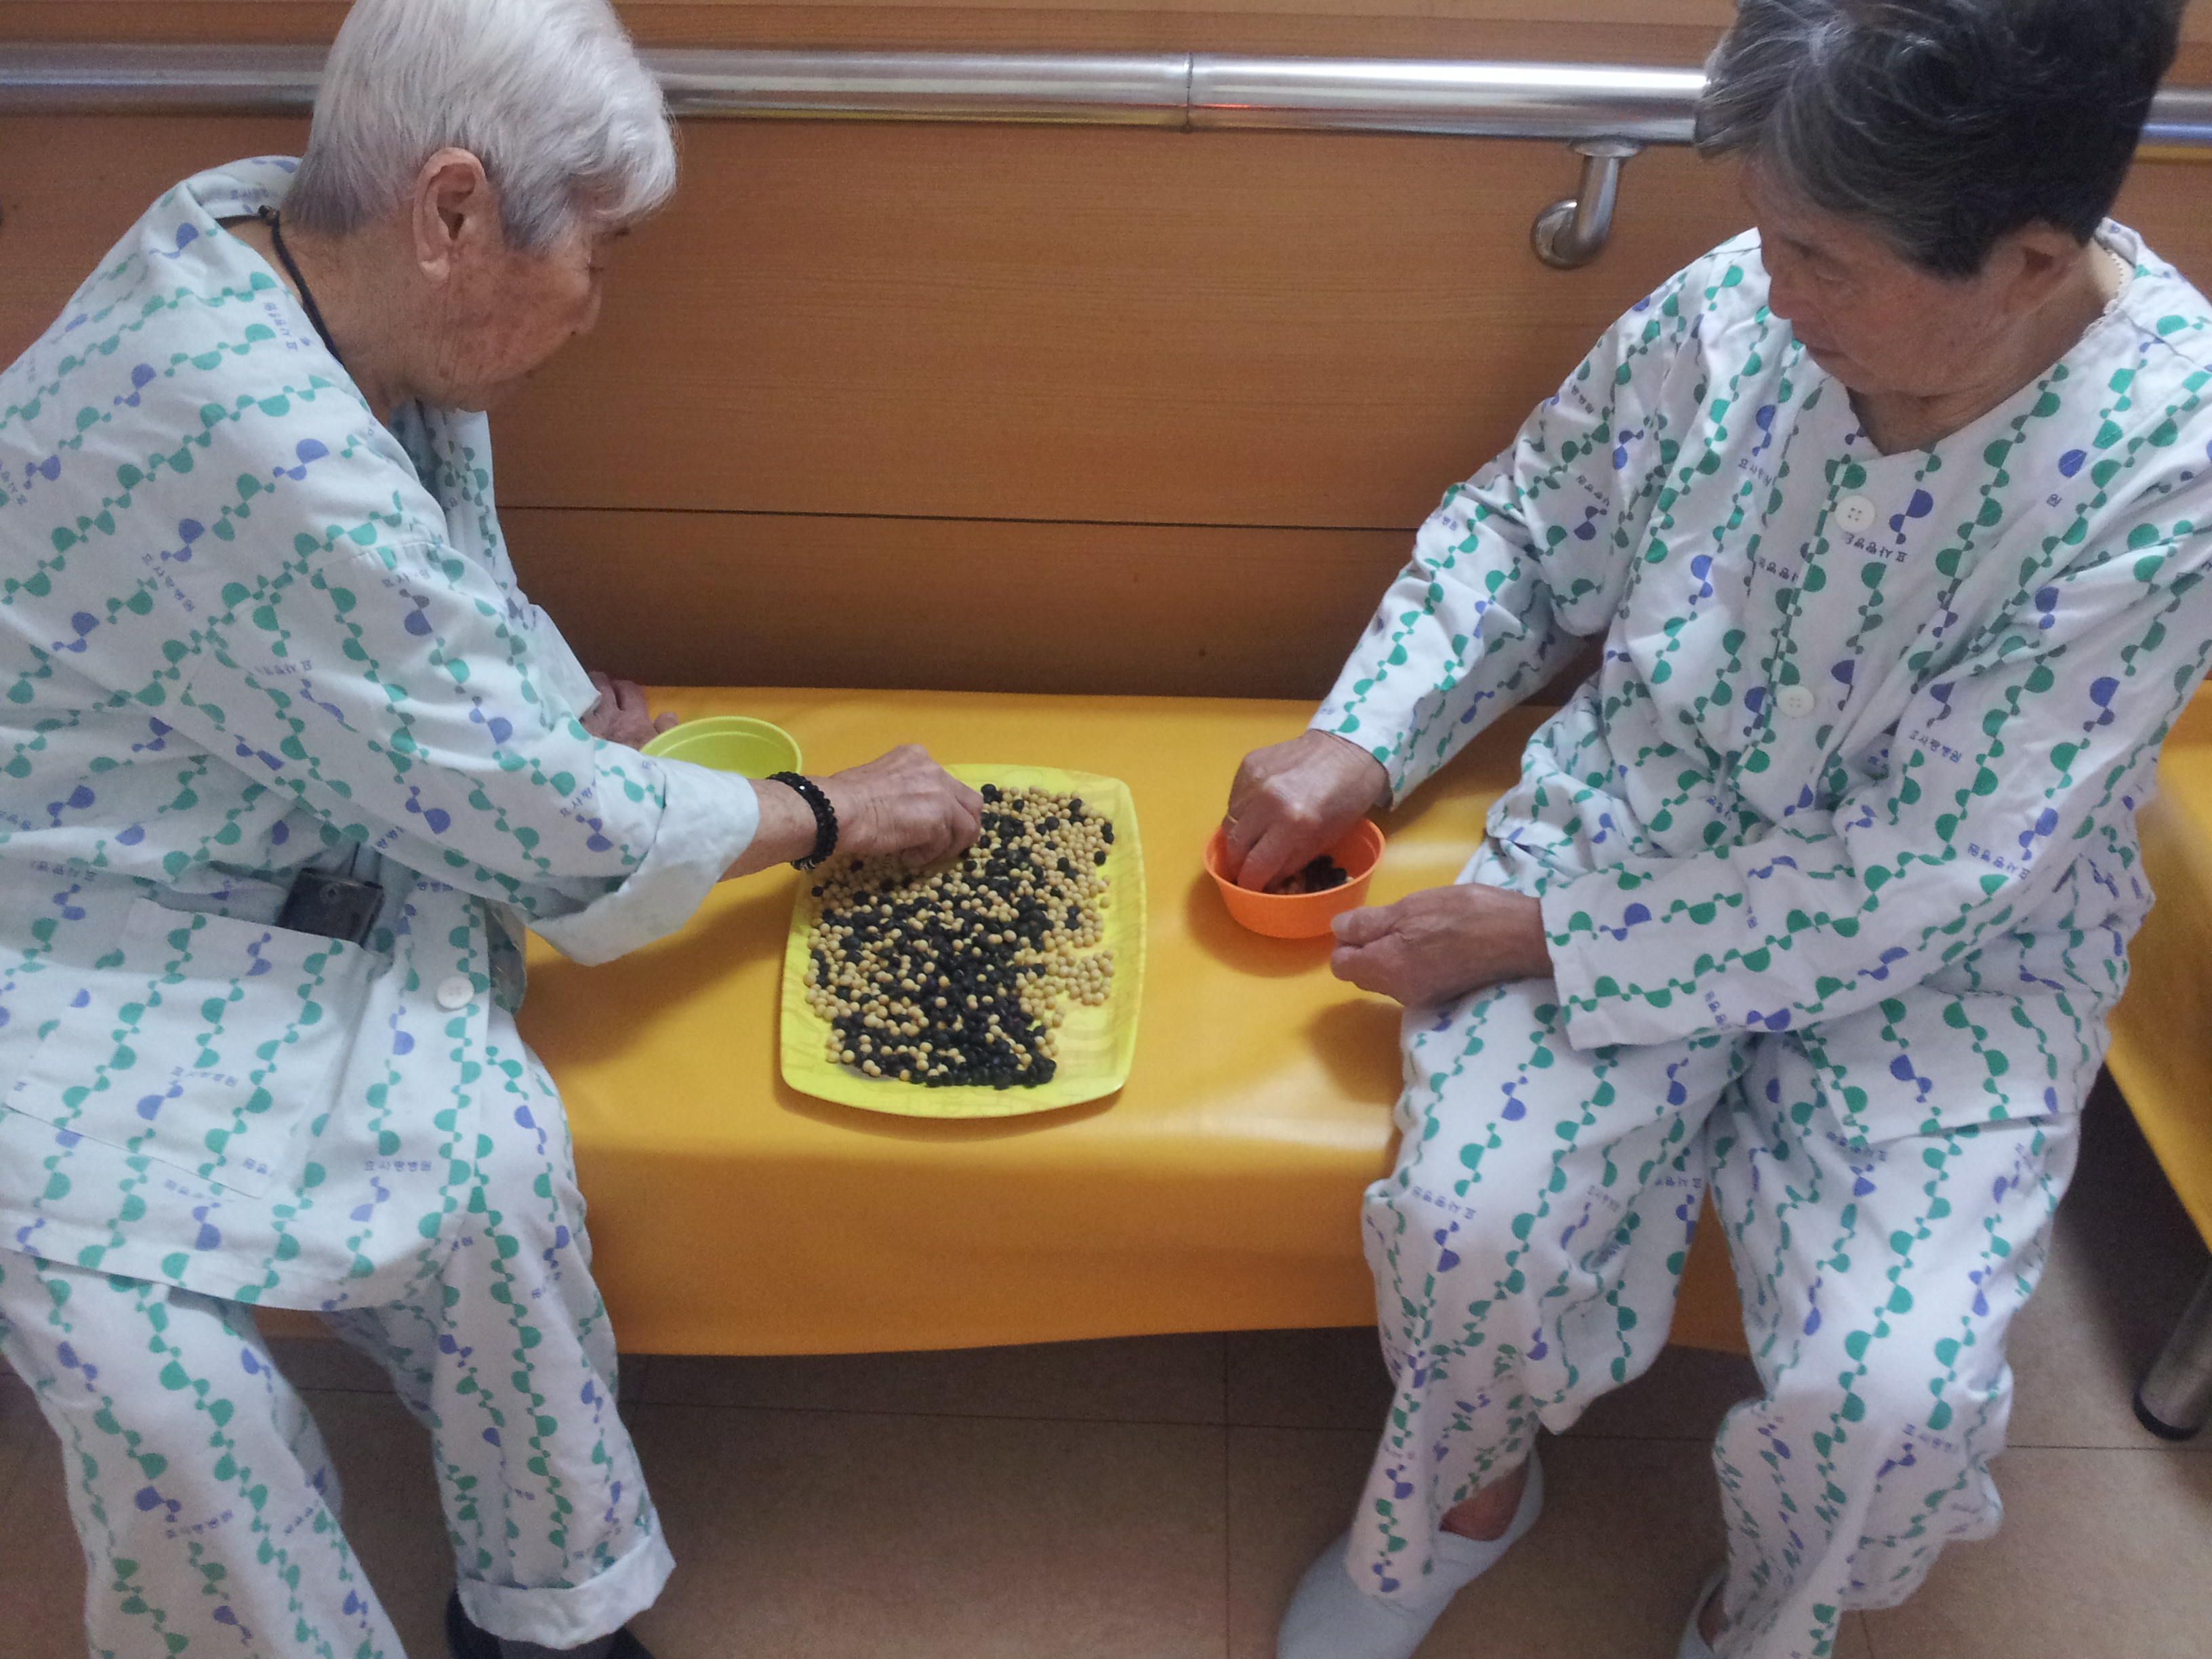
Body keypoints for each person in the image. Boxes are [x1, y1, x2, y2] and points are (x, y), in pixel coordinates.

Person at [1220, 3, 2209, 1656]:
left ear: (2032, 259)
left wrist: (1544, 934)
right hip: (1646, 817)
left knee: (1892, 1400)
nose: (1773, 290)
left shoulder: (2171, 467)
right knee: (1474, 1231)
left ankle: (1768, 1622)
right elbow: (1530, 527)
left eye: (1822, 260)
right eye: (1768, 235)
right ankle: (1462, 1503)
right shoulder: (1742, 314)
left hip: (1953, 954)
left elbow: (1936, 870)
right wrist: (1365, 734)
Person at [0, 1, 981, 1656]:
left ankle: (543, 1616)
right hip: (63, 944)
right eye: (595, 252)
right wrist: (823, 812)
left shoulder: (288, 255)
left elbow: (411, 610)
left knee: (492, 1173)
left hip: (285, 875)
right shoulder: (238, 415)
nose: (594, 306)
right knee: (181, 1419)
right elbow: (535, 825)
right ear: (450, 210)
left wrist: (532, 699)